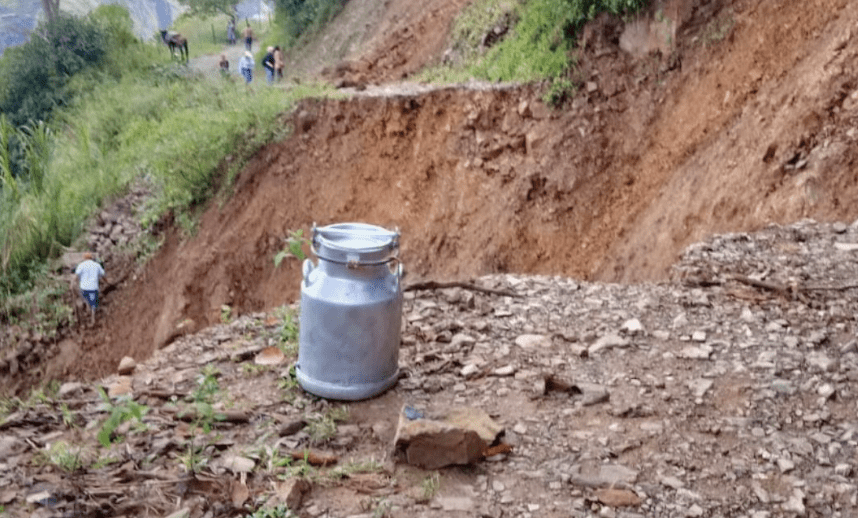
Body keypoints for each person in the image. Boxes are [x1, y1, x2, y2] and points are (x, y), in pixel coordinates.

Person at [74, 252, 105, 324]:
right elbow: (103, 274)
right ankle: (93, 316)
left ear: (84, 258)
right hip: (94, 287)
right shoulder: (97, 265)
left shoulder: (81, 265)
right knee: (94, 303)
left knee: (85, 298)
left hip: (84, 288)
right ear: (91, 258)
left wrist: (74, 282)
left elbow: (76, 276)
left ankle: (87, 305)